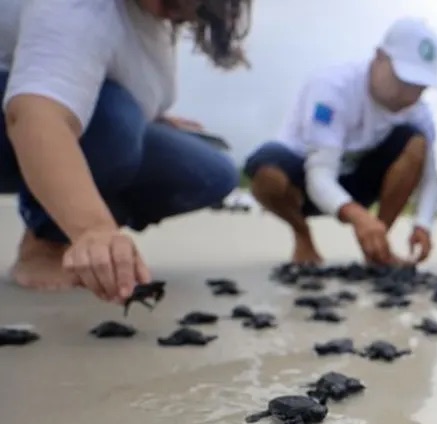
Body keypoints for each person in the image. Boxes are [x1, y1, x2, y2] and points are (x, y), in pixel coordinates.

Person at [0, 0, 252, 304]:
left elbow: (118, 77)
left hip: (85, 121)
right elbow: (36, 115)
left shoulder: (155, 21)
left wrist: (153, 117)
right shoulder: (81, 8)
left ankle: (79, 238)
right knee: (115, 120)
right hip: (26, 120)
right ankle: (48, 242)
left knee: (212, 170)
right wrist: (93, 229)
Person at [243, 17, 437, 267]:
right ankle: (303, 236)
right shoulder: (332, 88)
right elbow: (320, 175)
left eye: (420, 86)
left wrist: (423, 225)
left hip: (358, 182)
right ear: (379, 57)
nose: (410, 95)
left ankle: (377, 246)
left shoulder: (419, 112)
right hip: (305, 178)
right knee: (266, 170)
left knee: (416, 142)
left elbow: (430, 178)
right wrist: (358, 217)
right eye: (403, 81)